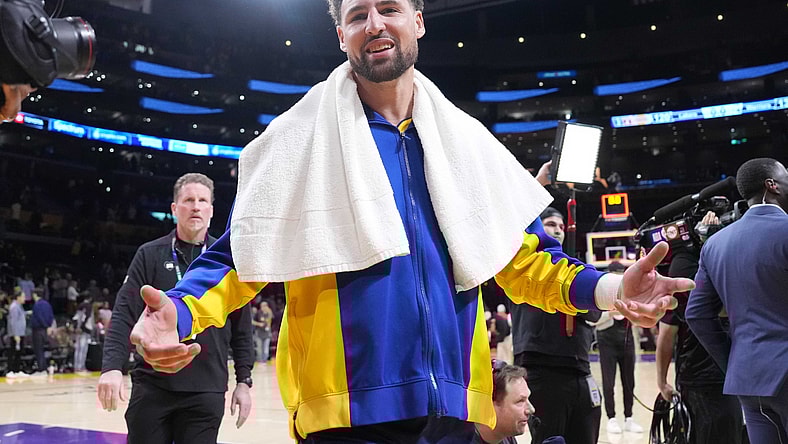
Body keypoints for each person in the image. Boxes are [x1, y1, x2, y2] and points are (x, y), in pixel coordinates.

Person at [130, 1, 693, 441]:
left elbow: (523, 260)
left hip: (455, 411)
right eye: (357, 15)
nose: (374, 23)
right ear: (341, 35)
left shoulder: (465, 144)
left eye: (389, 9)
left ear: (418, 21)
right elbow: (243, 253)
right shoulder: (299, 140)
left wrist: (613, 287)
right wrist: (178, 313)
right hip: (345, 418)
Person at [97, 173, 254, 444]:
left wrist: (244, 380)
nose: (196, 206)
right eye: (188, 200)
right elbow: (124, 312)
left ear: (212, 210)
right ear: (174, 208)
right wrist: (112, 367)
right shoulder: (150, 254)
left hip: (206, 390)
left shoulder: (226, 262)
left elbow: (242, 327)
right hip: (152, 387)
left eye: (203, 200)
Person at [687, 157, 788, 443]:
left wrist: (731, 360)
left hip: (746, 379)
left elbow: (696, 315)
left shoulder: (714, 244)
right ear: (773, 185)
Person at [511, 207, 602, 444]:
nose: (558, 230)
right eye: (551, 224)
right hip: (541, 366)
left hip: (581, 369)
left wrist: (578, 294)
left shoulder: (578, 270)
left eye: (562, 226)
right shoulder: (524, 266)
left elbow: (594, 315)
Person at [655, 211, 744, 444]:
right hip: (700, 378)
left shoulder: (732, 260)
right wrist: (661, 381)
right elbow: (667, 333)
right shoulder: (684, 265)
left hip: (734, 373)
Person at [588, 266, 644, 435]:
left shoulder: (630, 293)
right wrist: (609, 314)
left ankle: (629, 417)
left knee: (629, 380)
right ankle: (611, 418)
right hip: (607, 340)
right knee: (608, 381)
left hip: (627, 340)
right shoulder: (601, 294)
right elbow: (592, 320)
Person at [474, 361, 538, 444]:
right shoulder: (458, 439)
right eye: (520, 401)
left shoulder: (507, 438)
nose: (531, 409)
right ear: (490, 405)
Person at [30, 291, 55, 375]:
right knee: (42, 349)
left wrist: (45, 325)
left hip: (38, 329)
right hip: (45, 330)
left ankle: (42, 369)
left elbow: (39, 317)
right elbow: (51, 316)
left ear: (35, 294)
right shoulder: (47, 304)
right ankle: (44, 367)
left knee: (38, 350)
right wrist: (49, 326)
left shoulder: (37, 305)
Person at [6, 290, 27, 377]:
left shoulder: (19, 306)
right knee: (13, 352)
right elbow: (13, 321)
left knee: (19, 352)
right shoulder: (14, 307)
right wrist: (15, 334)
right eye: (23, 296)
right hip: (16, 333)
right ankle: (10, 370)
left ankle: (17, 370)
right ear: (18, 297)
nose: (24, 298)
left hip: (20, 333)